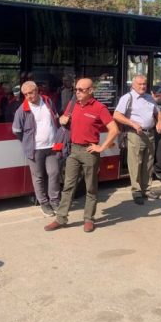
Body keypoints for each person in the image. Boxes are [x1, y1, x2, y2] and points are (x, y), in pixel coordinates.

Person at [44, 78, 119, 233]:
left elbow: (114, 129)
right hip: (74, 151)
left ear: (91, 91)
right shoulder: (73, 105)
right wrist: (62, 119)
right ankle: (61, 218)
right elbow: (63, 120)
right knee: (68, 186)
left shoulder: (100, 108)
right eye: (76, 89)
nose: (77, 92)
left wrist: (102, 147)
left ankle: (89, 219)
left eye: (81, 90)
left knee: (91, 187)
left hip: (90, 152)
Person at [12, 81, 61, 216]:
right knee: (38, 177)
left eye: (31, 93)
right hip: (35, 149)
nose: (29, 96)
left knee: (54, 173)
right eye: (26, 94)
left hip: (52, 146)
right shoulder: (21, 110)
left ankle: (55, 201)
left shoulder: (48, 102)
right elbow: (17, 131)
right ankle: (44, 203)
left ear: (37, 91)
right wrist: (28, 143)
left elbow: (55, 119)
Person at [113, 75, 161, 205]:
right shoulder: (127, 98)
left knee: (148, 163)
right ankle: (136, 191)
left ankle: (146, 189)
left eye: (144, 84)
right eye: (140, 84)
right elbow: (117, 115)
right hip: (135, 134)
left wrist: (159, 122)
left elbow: (158, 112)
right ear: (133, 85)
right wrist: (132, 123)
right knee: (135, 163)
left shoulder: (149, 98)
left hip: (150, 134)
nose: (142, 86)